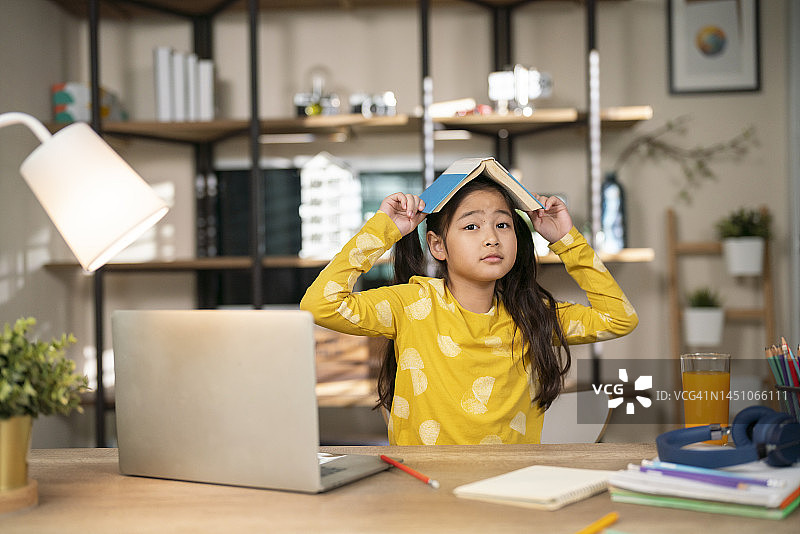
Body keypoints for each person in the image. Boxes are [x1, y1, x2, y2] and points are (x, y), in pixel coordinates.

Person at [300, 176, 638, 445]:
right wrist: (383, 229)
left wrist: (566, 239)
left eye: (502, 225)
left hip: (509, 485)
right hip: (424, 493)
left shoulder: (532, 315)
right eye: (472, 226)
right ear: (437, 245)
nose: (491, 238)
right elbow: (320, 304)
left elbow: (619, 318)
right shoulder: (412, 305)